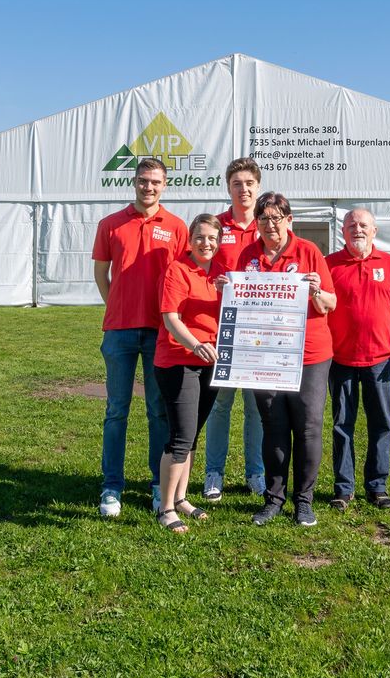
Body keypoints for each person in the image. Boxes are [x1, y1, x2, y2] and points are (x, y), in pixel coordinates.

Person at [232, 192, 337, 527]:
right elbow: (239, 301)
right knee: (273, 426)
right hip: (264, 354)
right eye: (263, 218)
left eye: (277, 217)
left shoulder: (308, 251)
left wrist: (317, 290)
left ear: (289, 220)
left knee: (307, 427)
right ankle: (274, 499)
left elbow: (330, 303)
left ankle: (303, 501)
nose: (270, 224)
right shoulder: (248, 255)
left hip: (309, 354)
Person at [92, 157, 189, 518]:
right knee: (116, 411)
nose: (149, 187)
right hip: (119, 331)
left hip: (160, 332)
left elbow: (182, 278)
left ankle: (156, 484)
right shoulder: (111, 224)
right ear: (134, 182)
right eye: (143, 181)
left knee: (157, 412)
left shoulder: (177, 227)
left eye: (156, 182)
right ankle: (111, 486)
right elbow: (102, 273)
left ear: (165, 185)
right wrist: (116, 305)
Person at [325, 208, 390, 510]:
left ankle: (377, 486)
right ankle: (343, 488)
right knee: (342, 425)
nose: (357, 230)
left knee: (381, 424)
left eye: (363, 225)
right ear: (343, 231)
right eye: (351, 225)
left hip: (379, 362)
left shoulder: (389, 264)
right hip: (340, 361)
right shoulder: (330, 265)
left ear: (374, 231)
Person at [153, 214, 225, 532]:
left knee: (192, 436)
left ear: (218, 241)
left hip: (211, 364)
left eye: (211, 238)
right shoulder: (178, 270)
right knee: (180, 438)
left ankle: (182, 498)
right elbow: (171, 317)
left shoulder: (222, 275)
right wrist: (196, 345)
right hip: (178, 361)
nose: (205, 243)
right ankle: (165, 507)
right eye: (199, 237)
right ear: (190, 239)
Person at [203, 157, 265, 502]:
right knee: (220, 405)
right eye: (236, 184)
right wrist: (215, 284)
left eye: (249, 184)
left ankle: (256, 472)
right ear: (228, 188)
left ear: (257, 186)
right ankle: (214, 472)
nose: (243, 189)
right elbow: (200, 266)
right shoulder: (217, 225)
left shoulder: (269, 225)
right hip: (223, 330)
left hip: (259, 332)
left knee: (256, 407)